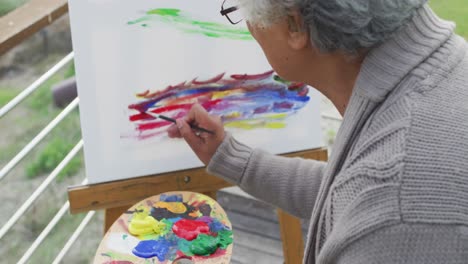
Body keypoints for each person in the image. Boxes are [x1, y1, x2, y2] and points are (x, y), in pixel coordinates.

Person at [168, 0, 468, 263]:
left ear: (295, 25)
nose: (249, 28)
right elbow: (350, 196)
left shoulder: (400, 213)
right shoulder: (438, 72)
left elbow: (381, 202)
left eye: (244, 11)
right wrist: (232, 157)